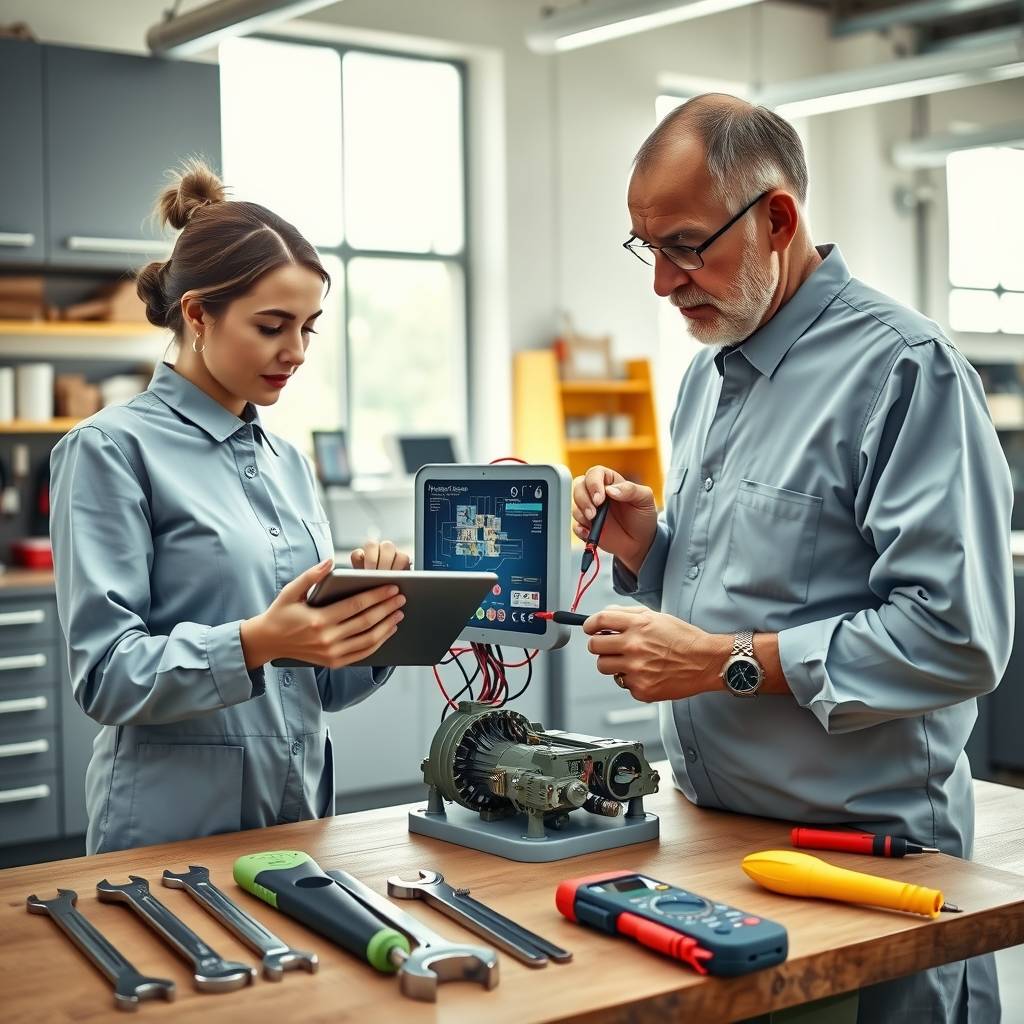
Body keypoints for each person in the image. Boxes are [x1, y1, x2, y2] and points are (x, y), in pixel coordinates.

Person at [573, 95, 1011, 1022]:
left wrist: (725, 661)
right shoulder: (710, 368)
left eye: (686, 245)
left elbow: (958, 637)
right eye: (644, 249)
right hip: (716, 849)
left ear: (778, 217)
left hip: (864, 869)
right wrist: (649, 547)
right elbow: (748, 583)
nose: (661, 282)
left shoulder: (905, 370)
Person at [50, 160, 410, 855]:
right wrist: (256, 641)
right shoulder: (108, 449)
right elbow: (105, 676)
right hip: (169, 830)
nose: (296, 351)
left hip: (298, 816)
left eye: (309, 327)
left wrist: (378, 618)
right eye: (273, 325)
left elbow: (320, 688)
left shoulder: (290, 464)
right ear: (197, 315)